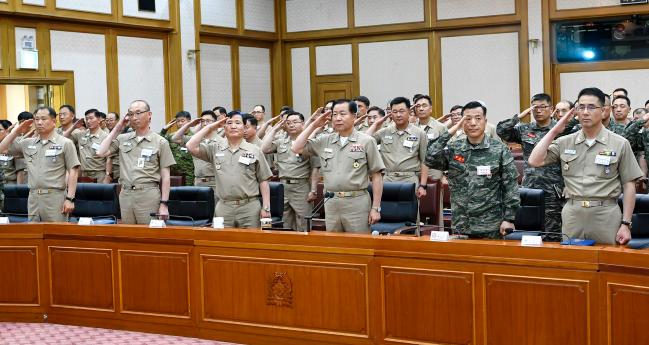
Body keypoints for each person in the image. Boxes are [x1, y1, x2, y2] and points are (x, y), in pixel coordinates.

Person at [529, 87, 643, 245]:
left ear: (603, 111)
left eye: (591, 107)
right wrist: (555, 130)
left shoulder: (619, 143)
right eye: (581, 107)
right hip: (573, 213)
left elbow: (629, 185)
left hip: (605, 214)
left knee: (607, 263)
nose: (585, 112)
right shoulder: (565, 141)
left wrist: (626, 223)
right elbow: (534, 160)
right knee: (573, 264)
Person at [426, 101, 520, 238]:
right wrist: (451, 131)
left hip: (491, 225)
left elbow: (511, 186)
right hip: (461, 224)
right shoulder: (454, 149)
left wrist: (509, 219)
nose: (473, 123)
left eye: (478, 118)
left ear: (485, 121)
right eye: (467, 119)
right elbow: (429, 156)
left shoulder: (499, 149)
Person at [292, 99, 385, 233]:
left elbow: (377, 176)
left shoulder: (366, 141)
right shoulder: (325, 140)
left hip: (356, 202)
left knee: (359, 247)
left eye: (342, 114)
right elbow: (296, 148)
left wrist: (376, 208)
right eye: (334, 114)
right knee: (334, 247)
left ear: (354, 116)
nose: (338, 118)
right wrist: (313, 126)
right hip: (331, 202)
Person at [186, 112, 273, 228]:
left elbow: (263, 180)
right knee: (221, 243)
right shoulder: (215, 148)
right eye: (229, 123)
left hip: (249, 207)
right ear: (224, 127)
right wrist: (210, 127)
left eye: (238, 123)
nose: (233, 126)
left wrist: (266, 208)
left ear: (244, 128)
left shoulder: (255, 150)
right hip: (223, 207)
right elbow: (190, 145)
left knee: (250, 243)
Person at [497, 93, 564, 240]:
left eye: (542, 107)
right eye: (535, 107)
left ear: (551, 108)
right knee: (529, 232)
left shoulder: (560, 130)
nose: (538, 111)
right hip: (531, 186)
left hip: (553, 189)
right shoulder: (525, 129)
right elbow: (501, 131)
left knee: (553, 233)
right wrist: (520, 116)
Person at [96, 100, 176, 224]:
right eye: (131, 114)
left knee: (149, 236)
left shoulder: (160, 142)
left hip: (148, 194)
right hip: (126, 194)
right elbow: (100, 152)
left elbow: (166, 177)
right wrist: (118, 127)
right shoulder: (122, 139)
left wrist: (164, 204)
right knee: (129, 236)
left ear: (149, 115)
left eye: (138, 113)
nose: (134, 117)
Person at [0, 106, 80, 222]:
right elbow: (2, 149)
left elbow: (73, 170)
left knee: (55, 234)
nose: (39, 122)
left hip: (55, 196)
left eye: (43, 119)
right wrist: (16, 131)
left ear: (53, 121)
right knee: (35, 234)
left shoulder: (65, 143)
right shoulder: (27, 143)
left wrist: (70, 198)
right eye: (36, 119)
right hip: (33, 196)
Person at [262, 111, 320, 231]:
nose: (291, 125)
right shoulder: (281, 142)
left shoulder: (309, 142)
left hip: (301, 187)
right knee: (286, 223)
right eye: (288, 123)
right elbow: (264, 148)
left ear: (303, 124)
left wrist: (313, 190)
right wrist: (275, 129)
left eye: (295, 122)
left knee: (303, 223)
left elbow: (315, 168)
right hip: (283, 187)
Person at [365, 97, 429, 198]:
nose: (398, 115)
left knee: (410, 212)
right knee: (386, 212)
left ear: (409, 111)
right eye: (394, 112)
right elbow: (364, 142)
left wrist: (423, 185)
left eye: (401, 111)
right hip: (387, 179)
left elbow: (425, 161)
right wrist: (377, 124)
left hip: (410, 179)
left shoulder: (420, 133)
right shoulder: (384, 132)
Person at [172, 110, 226, 204]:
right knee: (201, 213)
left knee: (215, 214)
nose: (205, 123)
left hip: (215, 182)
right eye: (203, 121)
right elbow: (175, 138)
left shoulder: (222, 142)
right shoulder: (195, 140)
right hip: (198, 181)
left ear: (215, 123)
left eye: (208, 121)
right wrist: (189, 124)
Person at [62, 109, 112, 183]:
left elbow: (109, 158)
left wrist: (108, 175)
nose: (88, 121)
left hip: (100, 175)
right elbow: (63, 138)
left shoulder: (106, 137)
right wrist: (73, 127)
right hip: (84, 175)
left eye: (91, 118)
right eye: (86, 119)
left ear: (98, 120)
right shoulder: (81, 134)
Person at [413, 95, 447, 179]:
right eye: (418, 106)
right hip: (415, 170)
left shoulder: (440, 127)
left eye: (424, 105)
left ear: (430, 109)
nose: (421, 108)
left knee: (435, 191)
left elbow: (448, 150)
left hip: (434, 170)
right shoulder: (411, 128)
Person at [161, 111, 194, 185]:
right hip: (173, 174)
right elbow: (160, 142)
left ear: (189, 121)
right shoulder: (172, 136)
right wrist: (164, 130)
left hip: (189, 175)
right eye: (178, 121)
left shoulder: (194, 136)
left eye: (182, 121)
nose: (180, 123)